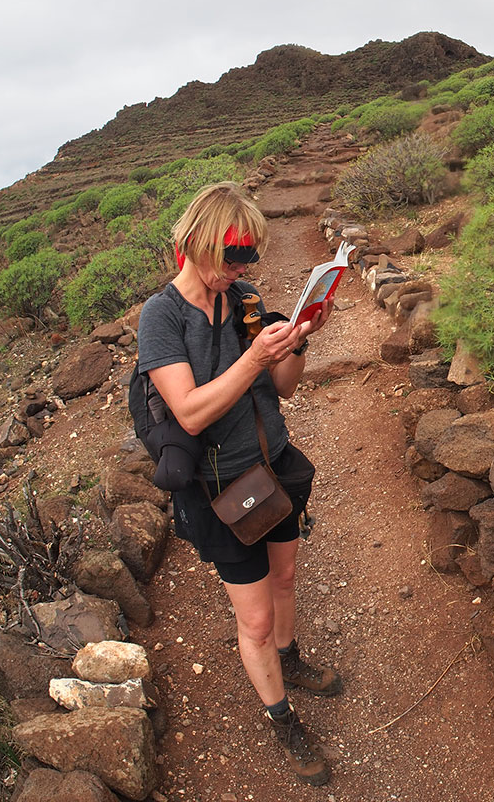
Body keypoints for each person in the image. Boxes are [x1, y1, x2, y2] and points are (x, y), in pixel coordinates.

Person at [136, 182, 340, 786]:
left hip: (272, 465)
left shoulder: (246, 298)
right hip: (217, 490)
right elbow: (191, 412)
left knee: (284, 577)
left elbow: (283, 390)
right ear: (196, 243)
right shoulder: (162, 317)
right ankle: (283, 721)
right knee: (251, 620)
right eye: (233, 257)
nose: (243, 270)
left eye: (249, 257)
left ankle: (290, 657)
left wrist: (297, 343)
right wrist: (252, 360)